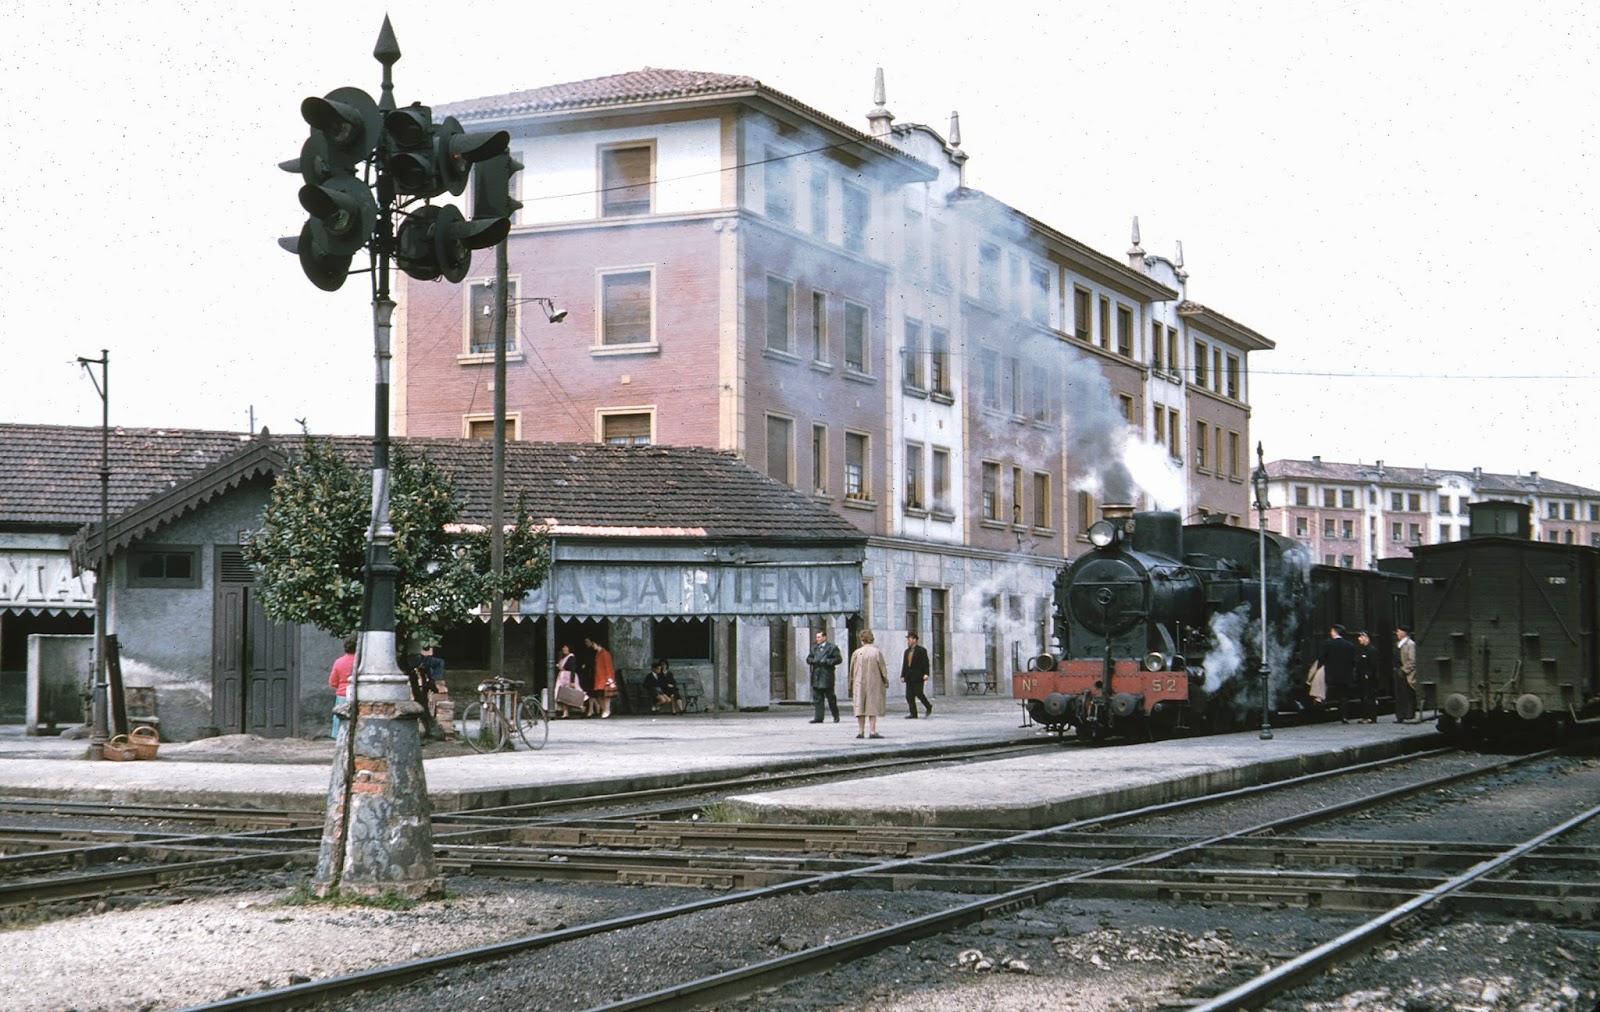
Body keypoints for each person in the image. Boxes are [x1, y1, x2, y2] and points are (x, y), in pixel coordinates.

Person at [850, 630, 890, 739]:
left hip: (859, 683)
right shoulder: (876, 652)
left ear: (861, 639)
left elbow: (852, 669)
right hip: (874, 683)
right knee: (872, 706)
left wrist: (851, 682)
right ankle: (872, 731)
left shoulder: (857, 653)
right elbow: (883, 668)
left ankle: (861, 731)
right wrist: (886, 680)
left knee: (860, 706)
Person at [1316, 625, 1358, 723]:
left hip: (1331, 675)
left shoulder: (1327, 644)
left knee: (1324, 692)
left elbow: (1322, 658)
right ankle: (1344, 716)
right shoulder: (1350, 645)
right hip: (1345, 675)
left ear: (1335, 632)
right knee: (1343, 696)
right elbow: (1352, 661)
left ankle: (1320, 712)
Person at [806, 630, 843, 724]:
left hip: (827, 675)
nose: (817, 639)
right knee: (817, 698)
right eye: (816, 637)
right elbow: (808, 658)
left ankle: (836, 715)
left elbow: (838, 659)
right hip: (817, 675)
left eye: (819, 637)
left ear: (824, 637)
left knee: (831, 697)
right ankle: (818, 717)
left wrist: (828, 661)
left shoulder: (832, 648)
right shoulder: (814, 648)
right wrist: (813, 660)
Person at [328, 635, 357, 739]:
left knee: (340, 724)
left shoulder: (339, 662)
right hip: (358, 695)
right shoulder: (360, 662)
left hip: (342, 695)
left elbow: (332, 682)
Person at [900, 633, 932, 719]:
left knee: (919, 693)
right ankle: (913, 713)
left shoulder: (921, 650)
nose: (908, 642)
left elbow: (926, 663)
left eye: (909, 639)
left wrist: (926, 674)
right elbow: (905, 665)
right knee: (909, 695)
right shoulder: (907, 651)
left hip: (918, 676)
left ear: (915, 640)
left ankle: (928, 706)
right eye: (908, 640)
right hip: (909, 676)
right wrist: (902, 675)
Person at [585, 637, 617, 718]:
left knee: (605, 696)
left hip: (604, 678)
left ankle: (607, 710)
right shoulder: (598, 653)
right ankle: (605, 709)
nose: (593, 645)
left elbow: (608, 667)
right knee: (599, 696)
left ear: (598, 644)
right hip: (599, 677)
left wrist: (610, 678)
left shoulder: (605, 653)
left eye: (594, 644)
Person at [553, 644, 587, 718]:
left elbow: (572, 670)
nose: (564, 649)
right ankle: (565, 712)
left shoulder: (571, 657)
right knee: (564, 695)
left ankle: (582, 707)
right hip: (563, 677)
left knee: (572, 693)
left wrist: (572, 681)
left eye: (565, 647)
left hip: (568, 677)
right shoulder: (564, 658)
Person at [1353, 630, 1379, 723]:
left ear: (1367, 638)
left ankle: (1371, 717)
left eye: (1361, 637)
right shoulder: (1361, 649)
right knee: (1363, 697)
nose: (1359, 639)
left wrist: (1368, 674)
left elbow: (1373, 664)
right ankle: (1365, 716)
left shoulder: (1372, 650)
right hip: (1361, 676)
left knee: (1369, 697)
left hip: (1368, 678)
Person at [1395, 624, 1419, 723]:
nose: (1397, 633)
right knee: (1399, 695)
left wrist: (1404, 670)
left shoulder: (1410, 644)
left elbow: (1412, 660)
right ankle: (1400, 715)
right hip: (1398, 671)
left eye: (1398, 631)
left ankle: (1409, 714)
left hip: (1406, 673)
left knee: (1407, 694)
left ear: (1404, 632)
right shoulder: (1399, 644)